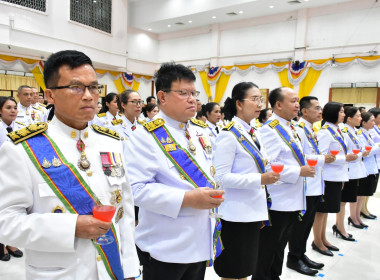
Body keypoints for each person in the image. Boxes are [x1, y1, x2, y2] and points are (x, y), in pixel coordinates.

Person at [0, 50, 139, 279]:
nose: (88, 96)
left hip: (113, 269)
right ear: (50, 95)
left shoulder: (110, 141)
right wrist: (71, 226)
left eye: (93, 87)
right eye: (76, 87)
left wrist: (130, 268)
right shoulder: (21, 149)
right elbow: (5, 222)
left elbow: (124, 209)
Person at [124, 62, 224, 280]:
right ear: (162, 97)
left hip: (200, 237)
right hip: (166, 245)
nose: (192, 99)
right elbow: (136, 190)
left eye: (194, 93)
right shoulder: (145, 136)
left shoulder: (200, 132)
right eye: (183, 93)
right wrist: (187, 199)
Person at [213, 82, 277, 280]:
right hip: (235, 214)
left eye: (261, 99)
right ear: (239, 104)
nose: (260, 104)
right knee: (233, 269)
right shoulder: (229, 135)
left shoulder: (253, 131)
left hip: (252, 210)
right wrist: (260, 179)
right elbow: (221, 177)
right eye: (254, 99)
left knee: (245, 268)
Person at [253, 87, 315, 280]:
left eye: (298, 100)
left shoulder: (291, 127)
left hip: (293, 197)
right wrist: (298, 171)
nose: (297, 105)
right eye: (293, 101)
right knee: (268, 247)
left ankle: (274, 276)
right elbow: (267, 165)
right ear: (278, 105)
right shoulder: (269, 130)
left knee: (280, 246)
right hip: (278, 200)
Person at [287, 96, 335, 276]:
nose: (320, 111)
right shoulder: (299, 130)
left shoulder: (310, 129)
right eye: (316, 108)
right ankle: (293, 258)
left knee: (307, 224)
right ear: (304, 111)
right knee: (300, 225)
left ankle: (301, 254)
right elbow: (301, 158)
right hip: (306, 185)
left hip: (315, 184)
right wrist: (324, 159)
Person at [314, 102, 356, 254]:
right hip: (327, 178)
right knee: (321, 212)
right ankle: (317, 242)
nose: (344, 115)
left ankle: (323, 238)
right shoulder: (325, 132)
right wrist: (344, 158)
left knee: (327, 211)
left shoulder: (336, 130)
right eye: (342, 112)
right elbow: (323, 156)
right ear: (333, 113)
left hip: (337, 176)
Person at [341, 107, 369, 229]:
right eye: (358, 116)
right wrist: (359, 154)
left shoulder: (354, 130)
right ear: (349, 118)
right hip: (350, 169)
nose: (360, 118)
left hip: (358, 168)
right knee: (345, 200)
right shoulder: (345, 130)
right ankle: (341, 225)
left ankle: (356, 217)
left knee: (357, 195)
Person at [357, 112, 380, 224]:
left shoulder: (367, 133)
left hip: (371, 165)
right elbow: (366, 152)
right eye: (371, 120)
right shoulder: (361, 134)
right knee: (363, 192)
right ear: (364, 122)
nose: (373, 123)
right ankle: (360, 212)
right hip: (366, 166)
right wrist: (377, 147)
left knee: (367, 191)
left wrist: (375, 147)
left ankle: (364, 209)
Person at [366, 107, 380, 219]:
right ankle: (362, 210)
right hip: (371, 160)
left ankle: (365, 208)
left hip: (375, 161)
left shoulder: (376, 128)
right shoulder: (370, 130)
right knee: (366, 190)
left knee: (370, 189)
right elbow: (368, 148)